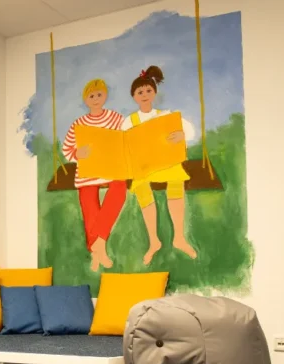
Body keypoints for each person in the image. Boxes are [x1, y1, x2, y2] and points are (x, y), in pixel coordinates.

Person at [122, 66, 198, 265]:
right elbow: (123, 145)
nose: (144, 95)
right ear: (134, 97)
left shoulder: (164, 115)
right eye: (140, 92)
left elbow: (188, 129)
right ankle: (154, 240)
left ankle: (179, 237)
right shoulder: (129, 121)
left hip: (164, 163)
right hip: (144, 167)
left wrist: (182, 135)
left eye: (148, 90)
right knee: (140, 186)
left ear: (154, 93)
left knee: (176, 179)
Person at [61, 79, 126, 271]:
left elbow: (125, 140)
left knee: (119, 189)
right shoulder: (79, 123)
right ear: (85, 99)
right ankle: (97, 252)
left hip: (111, 168)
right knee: (89, 208)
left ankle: (99, 245)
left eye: (99, 94)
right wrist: (77, 153)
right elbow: (67, 149)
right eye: (91, 96)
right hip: (87, 172)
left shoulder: (115, 118)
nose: (96, 99)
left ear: (105, 96)